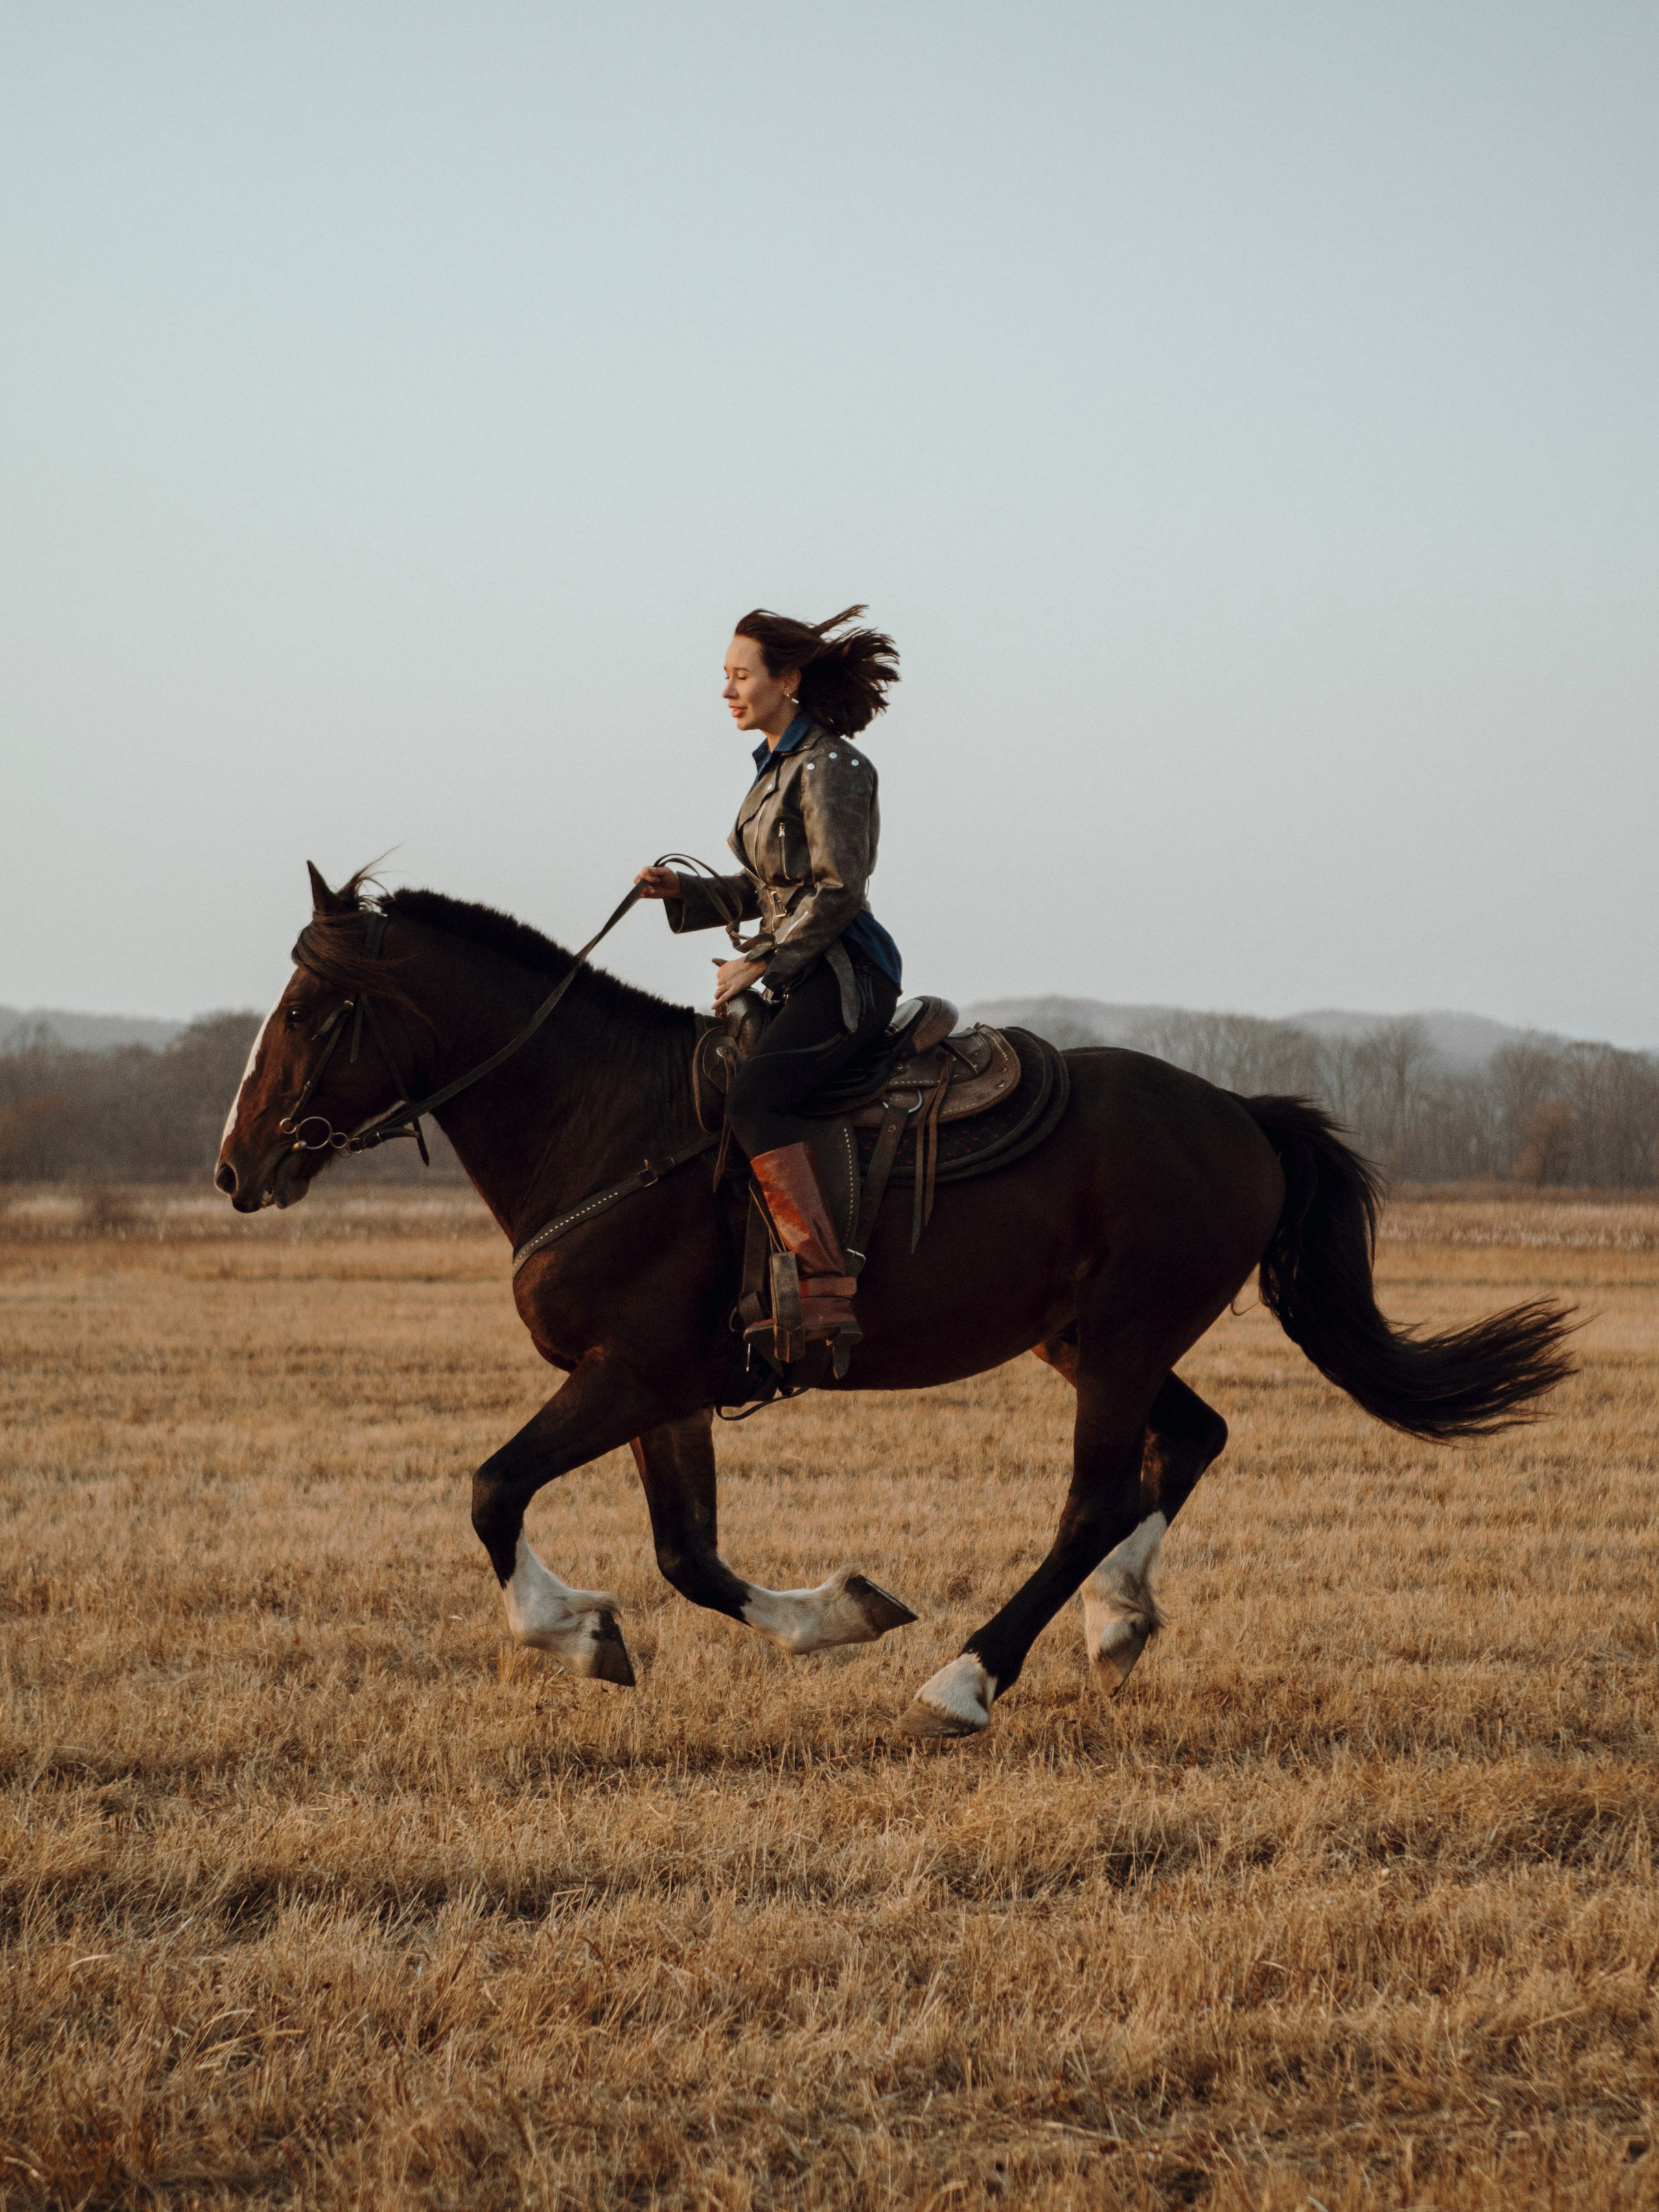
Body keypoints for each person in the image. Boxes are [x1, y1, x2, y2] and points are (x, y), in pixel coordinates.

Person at [636, 606, 902, 1354]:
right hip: (802, 966)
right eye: (724, 676)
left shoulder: (833, 767)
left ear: (787, 680)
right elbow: (769, 887)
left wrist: (764, 960)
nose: (728, 689)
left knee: (757, 1095)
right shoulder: (775, 768)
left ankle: (819, 1285)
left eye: (741, 675)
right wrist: (684, 896)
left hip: (847, 973)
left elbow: (836, 889)